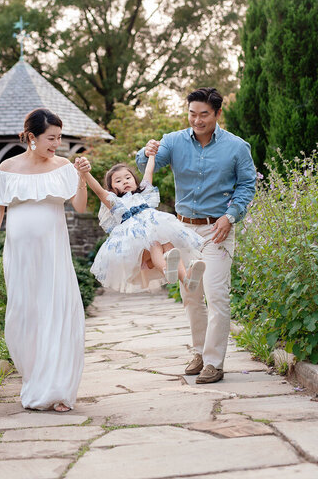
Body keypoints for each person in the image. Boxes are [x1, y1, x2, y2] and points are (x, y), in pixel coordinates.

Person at [136, 87, 256, 383]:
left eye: (204, 114)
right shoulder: (174, 141)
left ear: (217, 113)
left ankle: (214, 362)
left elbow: (247, 185)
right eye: (192, 113)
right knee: (191, 296)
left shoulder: (237, 147)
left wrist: (231, 217)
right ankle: (200, 353)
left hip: (217, 228)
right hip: (182, 229)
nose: (197, 120)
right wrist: (146, 151)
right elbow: (146, 166)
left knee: (216, 295)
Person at [0, 108, 90, 412]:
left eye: (59, 138)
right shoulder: (8, 167)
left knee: (56, 313)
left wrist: (81, 177)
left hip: (54, 255)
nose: (56, 144)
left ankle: (57, 391)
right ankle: (34, 380)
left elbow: (79, 207)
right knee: (24, 317)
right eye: (50, 138)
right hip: (20, 255)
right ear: (32, 137)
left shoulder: (64, 166)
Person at [75, 153, 205, 294]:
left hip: (154, 235)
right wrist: (85, 173)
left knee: (169, 245)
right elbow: (98, 191)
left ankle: (186, 280)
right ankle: (167, 270)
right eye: (118, 181)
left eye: (128, 178)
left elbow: (148, 171)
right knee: (154, 244)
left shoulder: (144, 194)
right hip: (135, 246)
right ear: (111, 189)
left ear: (135, 180)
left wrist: (152, 156)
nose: (124, 182)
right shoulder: (115, 202)